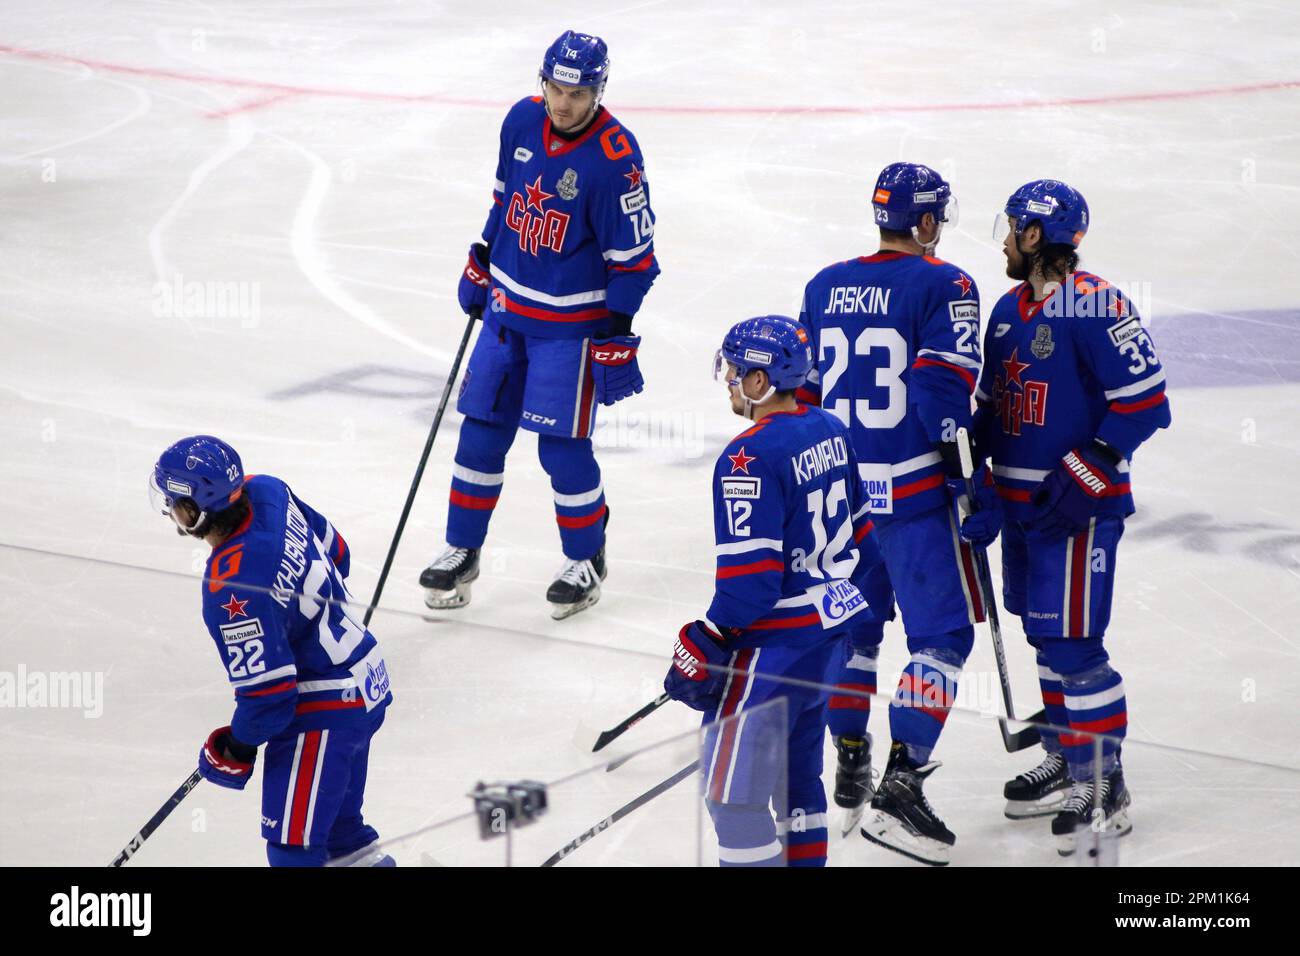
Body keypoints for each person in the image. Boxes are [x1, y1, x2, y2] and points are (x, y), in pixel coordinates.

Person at [797, 162, 999, 865]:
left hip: (840, 499)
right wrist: (970, 480)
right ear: (924, 222)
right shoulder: (947, 284)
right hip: (912, 499)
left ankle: (849, 753)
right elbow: (942, 395)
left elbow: (800, 391)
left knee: (855, 630)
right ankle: (900, 783)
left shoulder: (823, 285)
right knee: (941, 640)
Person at [421, 29, 659, 620]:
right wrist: (483, 255)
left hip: (569, 327)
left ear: (599, 90)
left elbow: (635, 259)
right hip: (506, 313)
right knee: (480, 434)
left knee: (562, 448)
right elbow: (505, 200)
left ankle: (585, 556)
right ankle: (462, 549)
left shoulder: (615, 160)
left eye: (578, 93)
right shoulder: (521, 122)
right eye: (555, 87)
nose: (564, 103)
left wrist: (615, 329)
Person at [976, 180, 1170, 855]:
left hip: (1078, 512)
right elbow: (992, 408)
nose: (1004, 237)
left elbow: (1146, 400)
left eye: (1012, 227)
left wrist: (1092, 467)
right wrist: (977, 478)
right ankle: (1068, 752)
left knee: (1076, 649)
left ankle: (1104, 782)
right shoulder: (1005, 311)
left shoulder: (1096, 304)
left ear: (1036, 235)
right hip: (1023, 511)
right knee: (1044, 638)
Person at [662, 316, 887, 867]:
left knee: (731, 798)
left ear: (761, 382)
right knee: (796, 783)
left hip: (769, 652)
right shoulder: (831, 428)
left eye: (737, 372)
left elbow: (751, 584)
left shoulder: (748, 458)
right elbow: (866, 542)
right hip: (825, 642)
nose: (730, 381)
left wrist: (707, 639)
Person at [150, 436, 394, 867]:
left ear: (195, 508)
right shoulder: (269, 490)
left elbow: (269, 700)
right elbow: (338, 552)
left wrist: (236, 747)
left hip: (327, 710)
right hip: (365, 681)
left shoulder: (231, 587)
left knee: (293, 849)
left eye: (174, 501)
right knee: (342, 837)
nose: (170, 509)